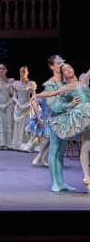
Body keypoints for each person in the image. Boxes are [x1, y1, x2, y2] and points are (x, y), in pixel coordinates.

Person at [35, 61, 90, 193]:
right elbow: (51, 96)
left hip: (75, 116)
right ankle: (55, 183)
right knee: (55, 150)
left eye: (69, 67)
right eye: (65, 70)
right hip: (58, 119)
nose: (68, 70)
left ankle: (61, 183)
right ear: (63, 75)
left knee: (61, 153)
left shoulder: (83, 80)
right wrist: (36, 95)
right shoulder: (65, 87)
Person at [10, 66, 36, 151]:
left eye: (24, 71)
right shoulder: (16, 84)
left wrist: (29, 104)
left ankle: (26, 146)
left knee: (26, 125)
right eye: (21, 71)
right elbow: (14, 97)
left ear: (27, 72)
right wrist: (18, 104)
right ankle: (18, 145)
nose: (22, 73)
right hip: (19, 106)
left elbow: (34, 96)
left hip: (27, 106)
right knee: (18, 126)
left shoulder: (31, 83)